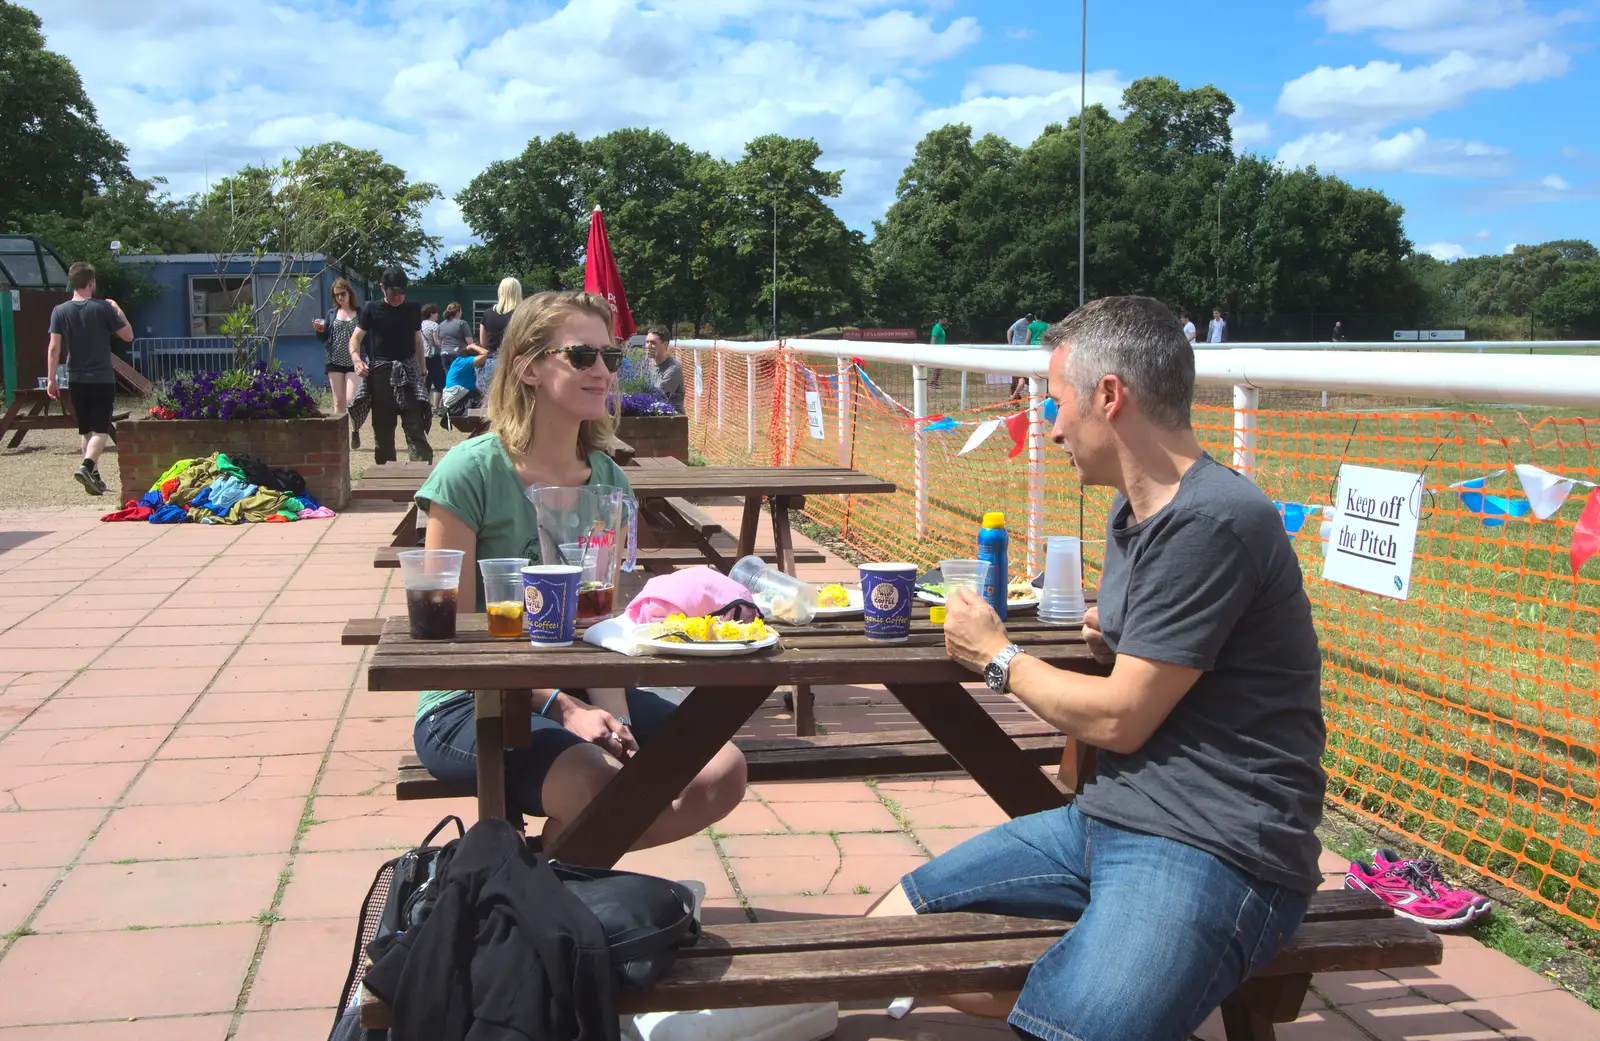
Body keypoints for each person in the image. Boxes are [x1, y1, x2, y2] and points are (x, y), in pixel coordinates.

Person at [869, 295, 1326, 1041]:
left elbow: (1120, 716)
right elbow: (1170, 671)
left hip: (1218, 844)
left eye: (1055, 402)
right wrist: (1126, 642)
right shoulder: (1134, 514)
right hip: (1106, 821)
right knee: (887, 931)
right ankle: (1097, 971)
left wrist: (996, 656)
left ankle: (1103, 982)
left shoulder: (1215, 518)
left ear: (1110, 396)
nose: (1048, 427)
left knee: (1081, 1028)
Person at [412, 290, 746, 849]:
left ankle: (537, 877)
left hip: (578, 686)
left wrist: (619, 721)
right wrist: (562, 707)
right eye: (581, 356)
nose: (603, 372)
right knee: (603, 784)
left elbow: (601, 625)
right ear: (528, 367)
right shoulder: (468, 473)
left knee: (720, 770)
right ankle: (543, 895)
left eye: (610, 358)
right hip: (471, 699)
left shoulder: (609, 482)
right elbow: (454, 640)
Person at [46, 261, 131, 495]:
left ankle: (94, 476)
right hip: (101, 377)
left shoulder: (60, 311)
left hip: (75, 378)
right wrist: (116, 308)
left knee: (86, 431)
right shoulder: (103, 308)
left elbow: (54, 348)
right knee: (101, 429)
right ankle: (85, 467)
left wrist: (52, 378)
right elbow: (128, 335)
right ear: (91, 283)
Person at [349, 267, 432, 464]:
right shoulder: (371, 309)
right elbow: (355, 339)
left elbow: (418, 341)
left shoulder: (412, 309)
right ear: (382, 288)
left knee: (415, 427)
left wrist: (422, 370)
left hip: (409, 371)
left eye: (402, 293)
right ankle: (386, 476)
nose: (398, 298)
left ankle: (421, 477)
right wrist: (357, 360)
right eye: (394, 293)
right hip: (380, 373)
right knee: (384, 431)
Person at [314, 278, 363, 445]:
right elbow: (324, 338)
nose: (341, 297)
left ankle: (355, 430)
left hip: (354, 360)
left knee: (351, 399)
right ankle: (338, 437)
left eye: (343, 293)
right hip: (334, 360)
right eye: (337, 295)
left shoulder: (360, 313)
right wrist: (319, 331)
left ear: (349, 293)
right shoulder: (331, 313)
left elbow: (367, 336)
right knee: (338, 401)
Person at [477, 276, 521, 394]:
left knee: (492, 401)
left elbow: (483, 343)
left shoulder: (487, 313)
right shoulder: (521, 314)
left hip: (492, 361)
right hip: (515, 361)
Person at [643, 324, 683, 412]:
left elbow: (659, 398)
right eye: (647, 342)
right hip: (651, 415)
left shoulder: (673, 369)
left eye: (653, 343)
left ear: (665, 345)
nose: (648, 346)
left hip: (671, 419)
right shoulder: (647, 364)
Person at [421, 303, 443, 408]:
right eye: (436, 313)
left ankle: (424, 403)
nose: (437, 315)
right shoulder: (435, 325)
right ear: (431, 314)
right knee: (438, 380)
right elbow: (437, 342)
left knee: (426, 380)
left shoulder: (420, 325)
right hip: (433, 355)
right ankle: (436, 406)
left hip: (422, 355)